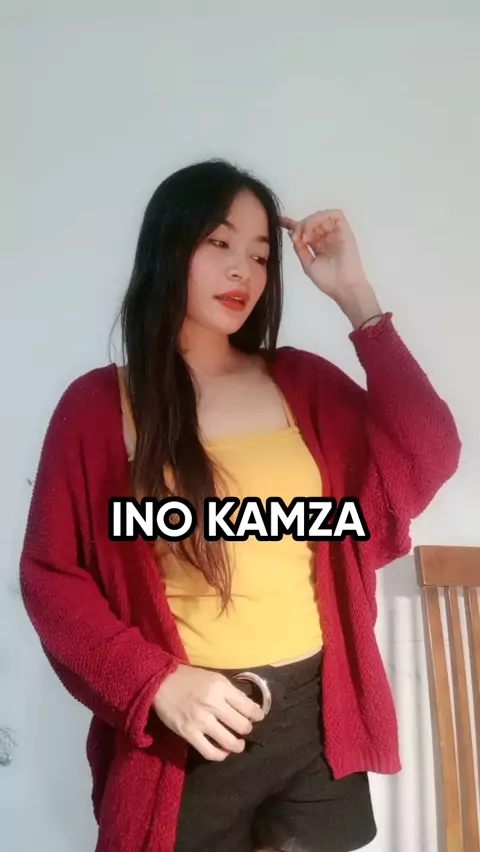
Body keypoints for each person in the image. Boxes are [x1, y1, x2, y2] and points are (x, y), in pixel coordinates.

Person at [20, 159, 461, 852]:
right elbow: (52, 578)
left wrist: (356, 297)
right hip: (193, 725)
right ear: (169, 246)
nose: (243, 271)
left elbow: (429, 449)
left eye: (259, 255)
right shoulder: (97, 407)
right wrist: (156, 684)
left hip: (319, 714)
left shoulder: (301, 382)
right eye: (220, 243)